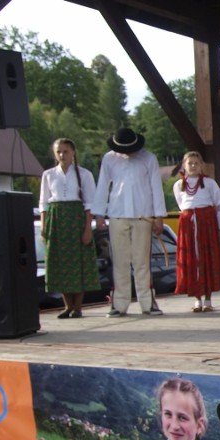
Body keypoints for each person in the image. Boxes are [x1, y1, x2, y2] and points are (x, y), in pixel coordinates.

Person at [92, 127, 167, 317]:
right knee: (119, 261)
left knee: (142, 261)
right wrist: (99, 214)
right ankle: (119, 304)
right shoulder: (109, 158)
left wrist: (159, 216)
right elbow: (102, 185)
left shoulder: (148, 158)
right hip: (117, 214)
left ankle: (148, 303)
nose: (127, 153)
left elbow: (156, 187)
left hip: (143, 215)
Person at [38, 138, 100, 319]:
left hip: (77, 218)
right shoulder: (48, 174)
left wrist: (88, 228)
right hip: (56, 218)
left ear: (73, 153)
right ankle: (67, 306)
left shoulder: (84, 174)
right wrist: (44, 225)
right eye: (58, 152)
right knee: (60, 262)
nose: (62, 155)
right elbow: (43, 202)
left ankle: (78, 307)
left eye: (65, 151)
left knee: (78, 262)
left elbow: (90, 204)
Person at [173, 151, 220, 313]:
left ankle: (209, 299)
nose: (193, 166)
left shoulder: (209, 183)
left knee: (207, 258)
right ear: (184, 165)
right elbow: (181, 204)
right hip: (188, 224)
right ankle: (197, 298)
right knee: (192, 260)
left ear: (201, 165)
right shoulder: (178, 185)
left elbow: (218, 205)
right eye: (190, 163)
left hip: (207, 223)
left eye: (196, 163)